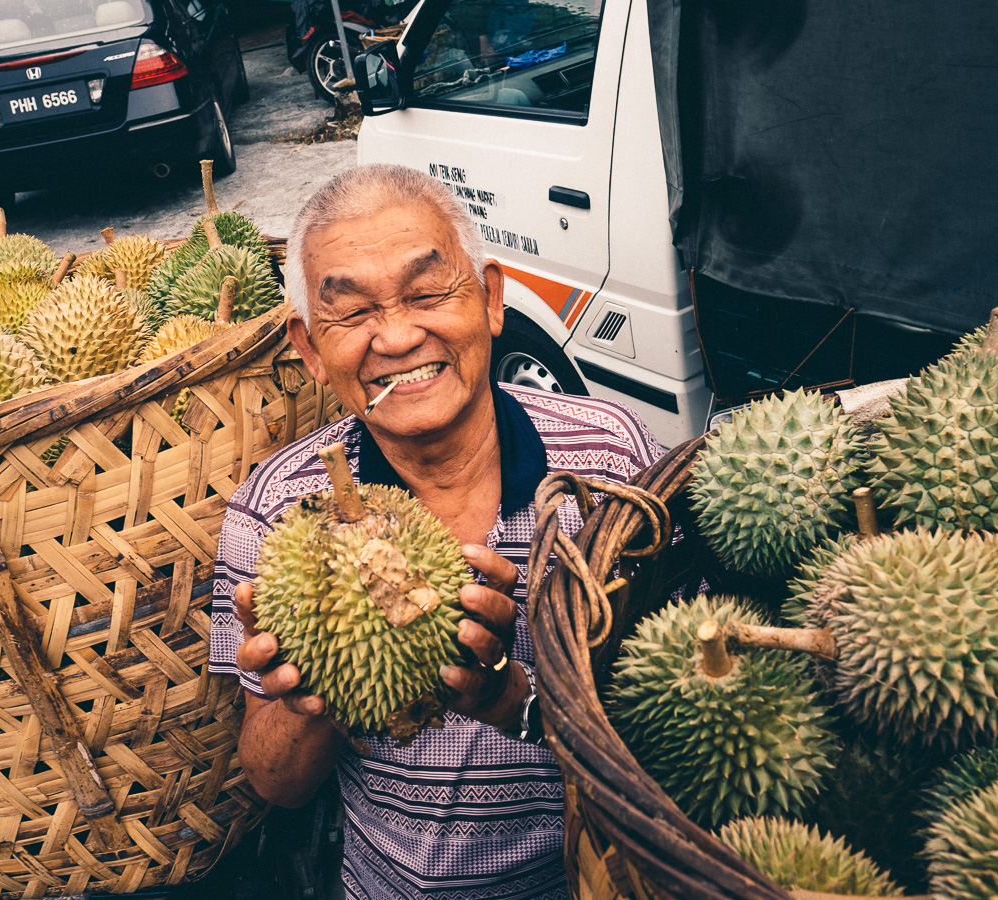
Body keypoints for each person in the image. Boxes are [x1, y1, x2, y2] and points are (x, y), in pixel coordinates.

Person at [207, 163, 663, 899]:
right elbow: (275, 782)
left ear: (489, 299)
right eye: (352, 314)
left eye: (426, 293)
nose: (396, 335)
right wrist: (305, 699)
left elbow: (680, 711)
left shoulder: (612, 463)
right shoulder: (273, 509)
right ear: (310, 349)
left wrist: (518, 704)